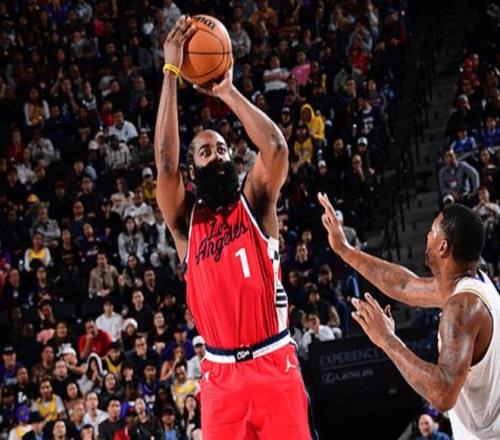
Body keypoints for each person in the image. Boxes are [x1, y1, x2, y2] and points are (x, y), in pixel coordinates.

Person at [155, 16, 314, 439]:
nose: (218, 156)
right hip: (220, 377)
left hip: (274, 363)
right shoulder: (186, 223)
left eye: (223, 149)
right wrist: (170, 72)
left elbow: (275, 148)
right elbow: (166, 166)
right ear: (193, 171)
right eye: (206, 152)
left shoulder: (255, 202)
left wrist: (227, 92)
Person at [318, 193, 500, 439]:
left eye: (433, 231)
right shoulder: (473, 285)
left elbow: (443, 395)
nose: (427, 235)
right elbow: (403, 285)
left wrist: (387, 339)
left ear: (443, 247)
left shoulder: (463, 307)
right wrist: (344, 250)